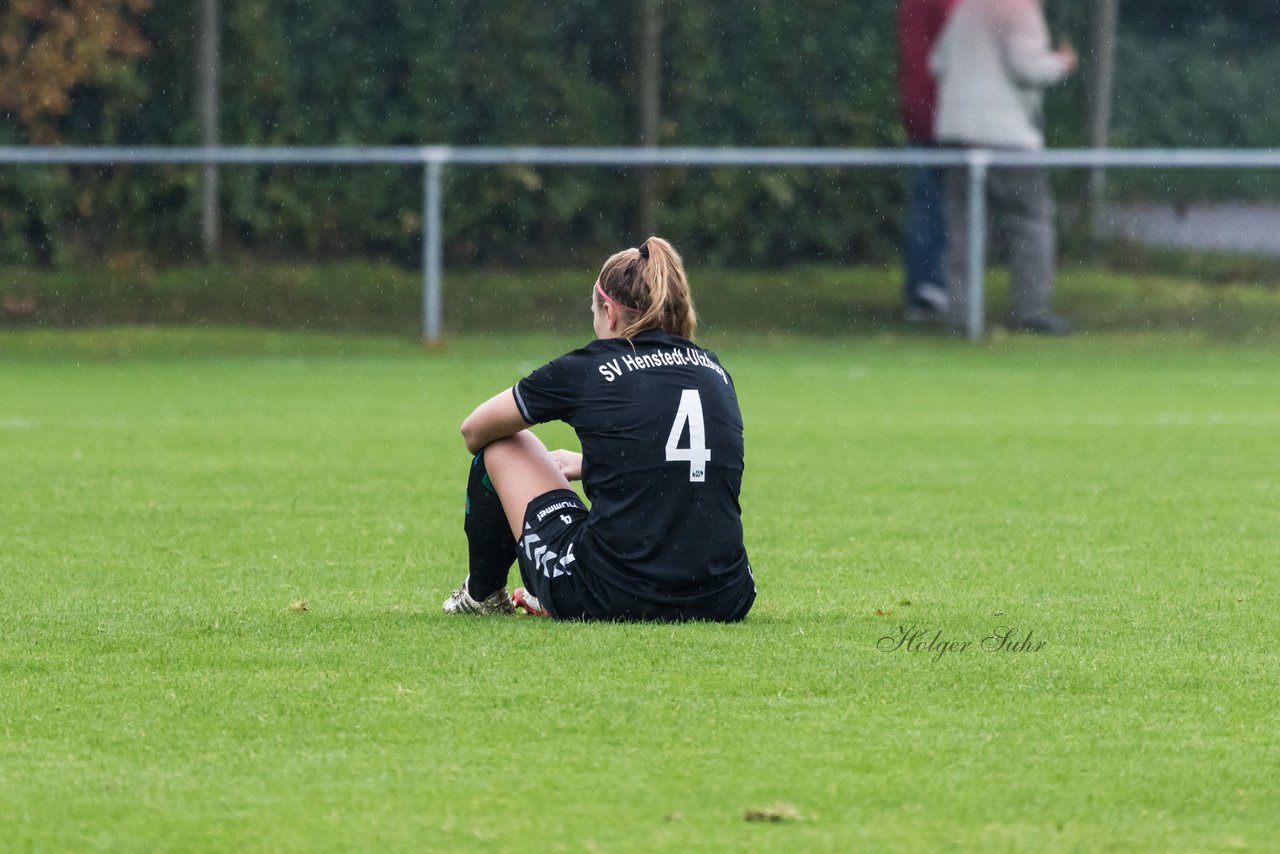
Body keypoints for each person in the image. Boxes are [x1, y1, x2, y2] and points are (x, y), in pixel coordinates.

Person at [444, 237, 756, 622]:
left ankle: (482, 596)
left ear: (608, 311)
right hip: (725, 596)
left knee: (503, 443)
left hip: (611, 596)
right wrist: (590, 464)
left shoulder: (587, 367)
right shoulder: (714, 370)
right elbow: (681, 463)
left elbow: (474, 430)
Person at [930, 0, 1078, 334]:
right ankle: (1032, 310)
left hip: (955, 133)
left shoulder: (965, 8)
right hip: (1006, 137)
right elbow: (1027, 69)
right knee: (1030, 221)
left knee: (963, 225)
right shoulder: (1019, 9)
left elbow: (937, 62)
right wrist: (1060, 63)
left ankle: (960, 314)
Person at [897, 0, 961, 323]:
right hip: (941, 115)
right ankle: (933, 286)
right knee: (940, 205)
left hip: (921, 111)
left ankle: (927, 287)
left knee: (928, 202)